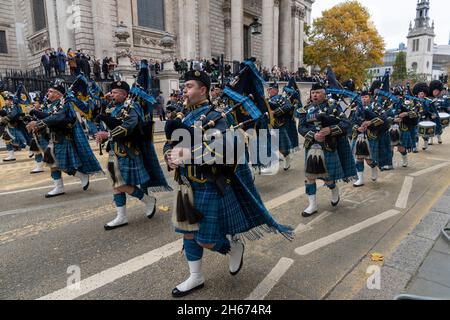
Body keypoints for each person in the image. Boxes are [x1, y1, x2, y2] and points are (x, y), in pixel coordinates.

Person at [163, 70, 293, 297]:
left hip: (207, 183)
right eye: (184, 86)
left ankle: (233, 246)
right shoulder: (182, 116)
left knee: (206, 239)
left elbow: (228, 149)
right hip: (186, 184)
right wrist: (170, 156)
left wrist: (190, 156)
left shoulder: (220, 116)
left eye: (190, 86)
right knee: (188, 232)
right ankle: (196, 276)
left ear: (203, 89)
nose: (185, 90)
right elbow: (170, 144)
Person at [95, 81, 171, 230]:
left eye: (116, 92)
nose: (112, 94)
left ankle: (148, 200)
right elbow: (110, 122)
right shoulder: (113, 106)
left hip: (127, 151)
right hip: (115, 149)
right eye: (112, 92)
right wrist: (101, 133)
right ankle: (121, 216)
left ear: (124, 94)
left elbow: (129, 125)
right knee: (115, 184)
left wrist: (108, 134)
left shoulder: (131, 106)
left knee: (120, 184)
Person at [26, 83, 102, 198]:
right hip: (52, 138)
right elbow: (49, 116)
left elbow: (58, 118)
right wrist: (35, 113)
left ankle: (82, 175)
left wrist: (38, 123)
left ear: (58, 94)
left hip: (63, 138)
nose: (48, 93)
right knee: (52, 163)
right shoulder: (53, 105)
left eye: (51, 91)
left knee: (64, 165)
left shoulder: (65, 104)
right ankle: (59, 187)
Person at [298, 83, 357, 217]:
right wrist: (314, 135)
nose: (314, 95)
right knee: (309, 177)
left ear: (324, 94)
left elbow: (346, 124)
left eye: (318, 92)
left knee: (328, 178)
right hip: (312, 146)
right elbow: (301, 127)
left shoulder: (333, 107)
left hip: (328, 146)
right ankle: (312, 205)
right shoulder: (305, 109)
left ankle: (333, 188)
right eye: (313, 93)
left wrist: (329, 130)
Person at [351, 91, 385, 187]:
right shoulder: (355, 108)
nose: (364, 99)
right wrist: (357, 128)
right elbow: (350, 122)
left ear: (369, 98)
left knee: (369, 160)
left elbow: (382, 119)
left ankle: (373, 167)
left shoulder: (375, 107)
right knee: (359, 158)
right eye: (362, 97)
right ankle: (360, 179)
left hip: (371, 136)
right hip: (358, 135)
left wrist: (370, 122)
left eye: (366, 97)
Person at [267, 82, 297, 171]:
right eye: (268, 89)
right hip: (268, 125)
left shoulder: (281, 98)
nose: (268, 91)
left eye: (270, 89)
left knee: (282, 145)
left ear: (275, 90)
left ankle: (287, 157)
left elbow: (288, 106)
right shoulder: (266, 100)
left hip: (278, 124)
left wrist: (274, 112)